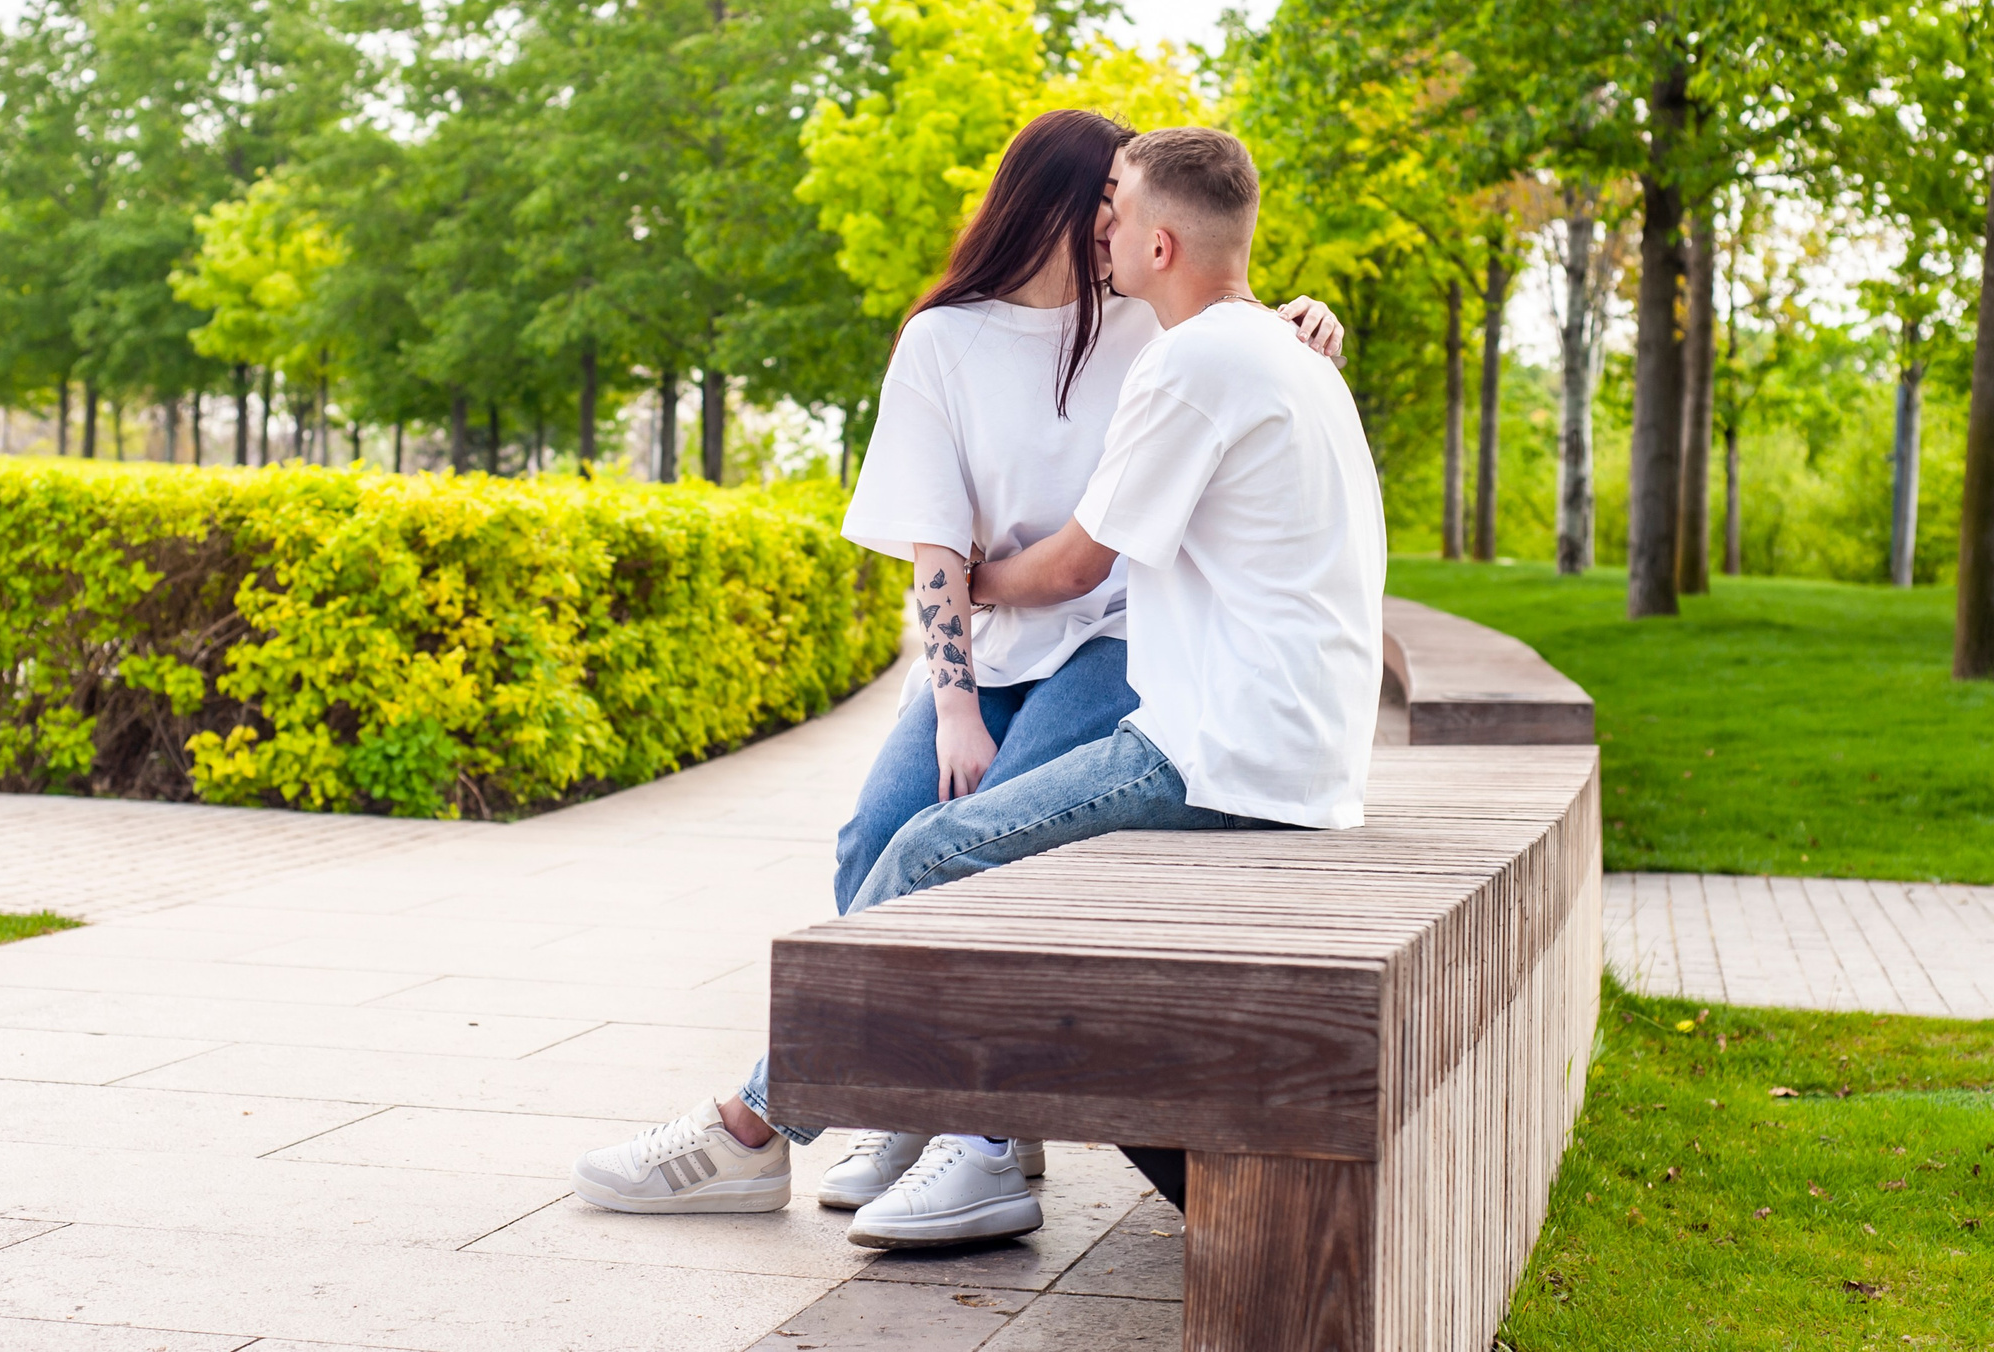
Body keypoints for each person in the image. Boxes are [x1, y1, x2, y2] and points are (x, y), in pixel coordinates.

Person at [570, 123, 1385, 1250]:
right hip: (1089, 683)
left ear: (1144, 235)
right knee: (879, 837)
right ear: (1055, 207)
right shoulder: (970, 339)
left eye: (1122, 203)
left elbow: (1083, 562)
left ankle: (858, 1129)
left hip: (1150, 682)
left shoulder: (1167, 337)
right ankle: (913, 1103)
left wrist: (1289, 317)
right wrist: (955, 674)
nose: (1108, 223)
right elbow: (938, 535)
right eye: (1097, 198)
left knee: (950, 853)